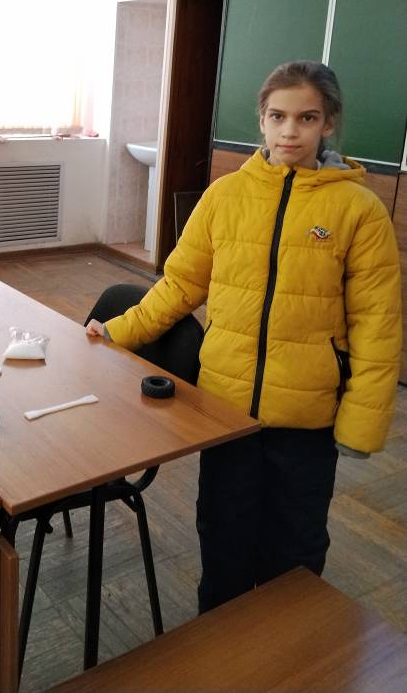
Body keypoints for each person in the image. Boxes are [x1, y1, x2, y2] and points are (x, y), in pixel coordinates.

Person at [86, 60, 402, 613]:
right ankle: (220, 637)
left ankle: (283, 646)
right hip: (226, 410)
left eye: (307, 117)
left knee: (296, 549)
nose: (290, 131)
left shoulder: (359, 210)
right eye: (278, 116)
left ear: (328, 123)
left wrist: (362, 422)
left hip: (307, 420)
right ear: (261, 119)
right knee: (223, 537)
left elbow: (377, 325)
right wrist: (117, 331)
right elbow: (178, 286)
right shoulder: (225, 196)